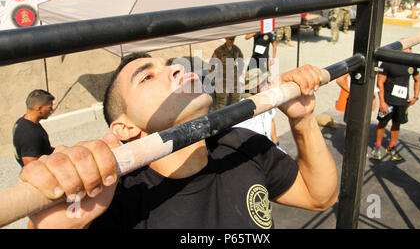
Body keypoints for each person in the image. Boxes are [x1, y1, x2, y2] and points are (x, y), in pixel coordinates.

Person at [19, 52, 338, 229]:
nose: (175, 70)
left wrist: (302, 119)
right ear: (125, 127)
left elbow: (319, 197)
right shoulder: (114, 198)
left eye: (171, 65)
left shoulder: (240, 143)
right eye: (147, 76)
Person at [371, 49, 420, 161]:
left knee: (397, 124)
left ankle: (391, 147)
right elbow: (380, 82)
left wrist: (415, 97)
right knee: (382, 123)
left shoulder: (412, 64)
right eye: (407, 49)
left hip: (403, 102)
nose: (409, 51)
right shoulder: (388, 63)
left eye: (410, 49)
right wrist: (382, 102)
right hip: (388, 101)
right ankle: (377, 147)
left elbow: (417, 80)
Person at [13, 89, 55, 167]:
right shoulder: (29, 134)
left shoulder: (21, 121)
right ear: (39, 108)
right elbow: (32, 167)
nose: (51, 110)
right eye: (49, 107)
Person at [210, 37, 244, 109]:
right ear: (226, 39)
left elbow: (241, 60)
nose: (232, 41)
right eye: (230, 39)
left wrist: (239, 72)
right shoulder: (219, 50)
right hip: (222, 79)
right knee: (221, 102)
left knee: (235, 99)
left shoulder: (236, 49)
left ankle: (234, 117)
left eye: (233, 39)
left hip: (234, 79)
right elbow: (212, 63)